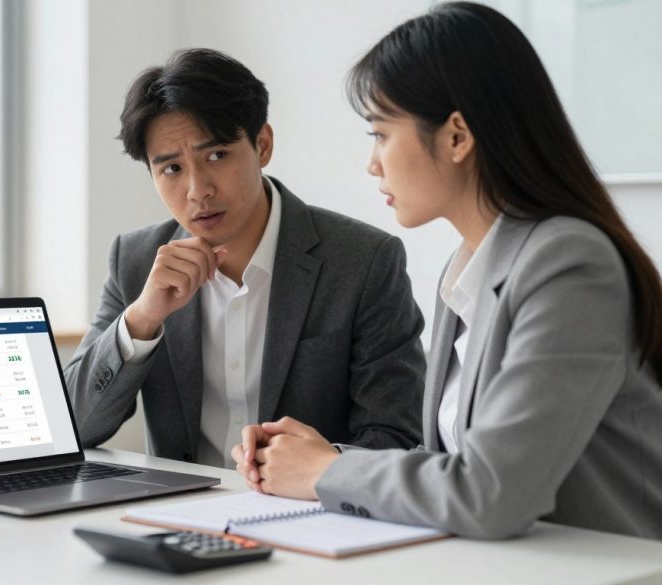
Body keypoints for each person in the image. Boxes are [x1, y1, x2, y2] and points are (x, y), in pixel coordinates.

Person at [234, 2, 662, 539]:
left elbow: (490, 492)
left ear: (457, 136)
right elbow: (448, 461)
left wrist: (326, 472)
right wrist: (321, 457)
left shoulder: (570, 264)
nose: (373, 163)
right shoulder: (464, 269)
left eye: (381, 134)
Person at [63, 48, 426, 468]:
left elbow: (397, 434)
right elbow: (73, 426)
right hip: (176, 515)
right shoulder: (136, 260)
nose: (198, 190)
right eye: (172, 169)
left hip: (306, 516)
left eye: (216, 156)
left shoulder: (364, 261)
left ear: (263, 145)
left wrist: (320, 467)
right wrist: (142, 320)